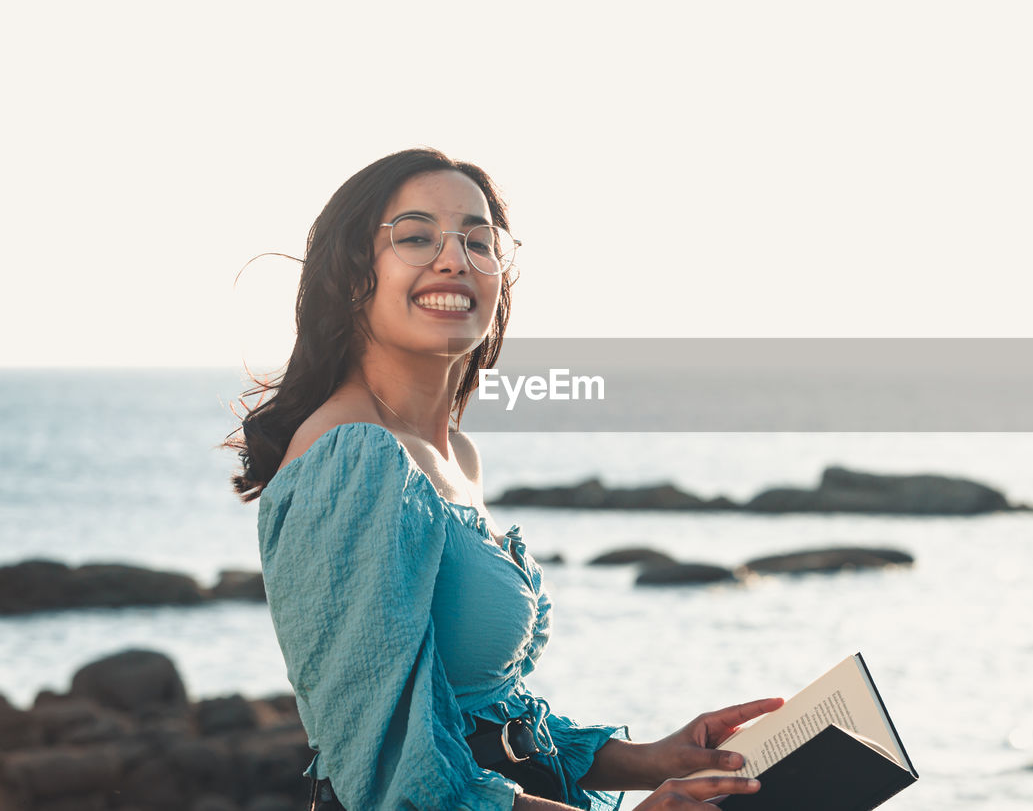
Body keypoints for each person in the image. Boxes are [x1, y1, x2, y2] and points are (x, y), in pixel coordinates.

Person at [229, 148, 781, 810]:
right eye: (415, 236)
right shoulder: (353, 457)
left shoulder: (455, 455)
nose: (455, 258)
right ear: (352, 276)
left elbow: (490, 718)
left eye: (478, 240)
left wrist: (657, 757)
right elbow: (398, 777)